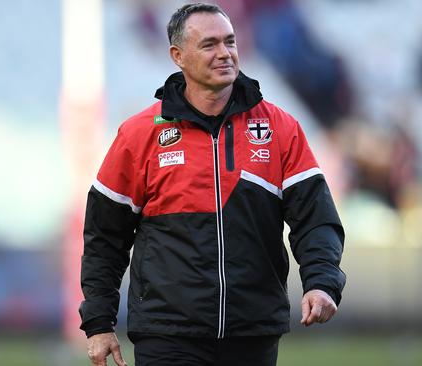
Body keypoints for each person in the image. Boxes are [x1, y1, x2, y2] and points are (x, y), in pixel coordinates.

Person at [79, 3, 346, 366]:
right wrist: (99, 323)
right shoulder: (139, 135)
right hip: (167, 335)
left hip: (253, 332)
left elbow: (315, 219)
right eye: (209, 44)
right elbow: (104, 238)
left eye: (230, 41)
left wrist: (321, 281)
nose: (224, 53)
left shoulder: (280, 129)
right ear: (178, 56)